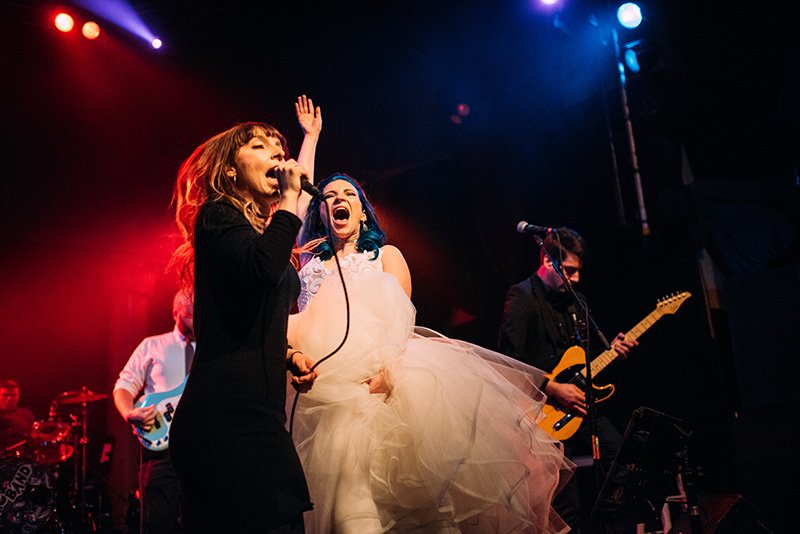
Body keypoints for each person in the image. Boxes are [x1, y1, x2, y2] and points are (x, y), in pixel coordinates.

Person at [287, 173, 571, 534]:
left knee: (413, 504)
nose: (339, 199)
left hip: (380, 382)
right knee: (345, 500)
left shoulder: (384, 255)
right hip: (327, 393)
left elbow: (401, 319)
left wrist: (387, 371)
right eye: (329, 196)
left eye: (348, 194)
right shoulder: (310, 268)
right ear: (321, 212)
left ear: (363, 212)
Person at [167, 95, 321, 534]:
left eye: (279, 147)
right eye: (259, 146)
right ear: (231, 170)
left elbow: (253, 310)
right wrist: (288, 199)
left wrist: (288, 354)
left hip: (259, 414)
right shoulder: (217, 216)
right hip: (222, 418)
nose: (276, 154)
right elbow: (262, 270)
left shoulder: (263, 234)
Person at [497, 227, 638, 533]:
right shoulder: (522, 297)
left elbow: (580, 359)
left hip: (578, 407)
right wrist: (553, 387)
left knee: (624, 458)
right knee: (566, 502)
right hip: (541, 412)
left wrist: (611, 351)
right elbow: (507, 362)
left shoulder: (577, 302)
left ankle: (607, 525)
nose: (576, 279)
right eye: (570, 271)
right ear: (548, 262)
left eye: (578, 271)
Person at [113, 290, 195, 534]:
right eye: (190, 311)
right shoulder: (153, 345)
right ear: (176, 312)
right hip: (162, 449)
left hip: (202, 446)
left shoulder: (211, 350)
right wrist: (129, 413)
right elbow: (124, 386)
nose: (196, 314)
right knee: (159, 521)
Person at [0, 379, 35, 453]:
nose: (9, 398)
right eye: (5, 395)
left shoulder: (26, 415)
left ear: (18, 397)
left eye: (13, 395)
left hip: (22, 456)